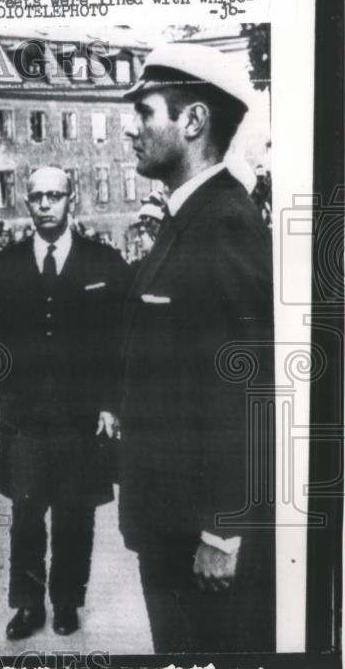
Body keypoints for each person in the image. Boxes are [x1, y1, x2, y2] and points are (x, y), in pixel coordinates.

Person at [120, 43, 275, 652]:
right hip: (170, 522)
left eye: (146, 112)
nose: (132, 129)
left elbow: (250, 387)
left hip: (196, 536)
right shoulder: (191, 218)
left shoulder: (225, 226)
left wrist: (224, 530)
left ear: (192, 122)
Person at [0, 166, 130, 639]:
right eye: (37, 197)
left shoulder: (103, 263)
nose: (46, 204)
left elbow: (119, 342)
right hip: (23, 418)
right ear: (26, 204)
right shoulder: (3, 267)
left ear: (73, 200)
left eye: (55, 195)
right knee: (26, 515)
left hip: (80, 419)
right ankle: (28, 604)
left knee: (75, 514)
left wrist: (111, 404)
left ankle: (67, 598)